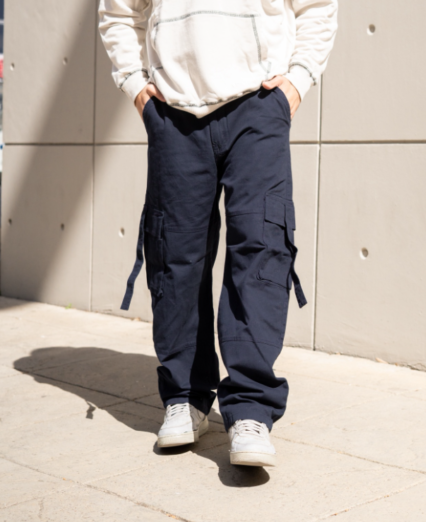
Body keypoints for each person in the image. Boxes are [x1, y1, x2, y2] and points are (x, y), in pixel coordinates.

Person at [98, 0, 337, 467]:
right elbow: (119, 13)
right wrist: (137, 89)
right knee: (175, 255)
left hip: (258, 104)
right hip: (172, 110)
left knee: (261, 248)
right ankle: (185, 397)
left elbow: (317, 6)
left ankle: (250, 409)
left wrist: (297, 81)